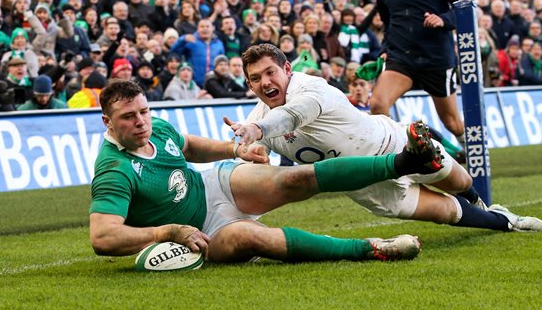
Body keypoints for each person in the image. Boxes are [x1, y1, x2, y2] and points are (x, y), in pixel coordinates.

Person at [89, 79, 446, 263]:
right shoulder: (114, 169)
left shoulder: (155, 125)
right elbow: (103, 238)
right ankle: (370, 249)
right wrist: (166, 232)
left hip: (215, 185)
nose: (141, 122)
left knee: (295, 177)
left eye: (144, 112)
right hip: (200, 231)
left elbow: (189, 146)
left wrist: (234, 149)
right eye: (129, 117)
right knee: (255, 239)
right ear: (107, 121)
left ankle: (407, 161)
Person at [225, 44, 542, 234]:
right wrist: (245, 155)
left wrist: (260, 131)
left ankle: (482, 201)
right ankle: (507, 223)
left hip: (393, 144)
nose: (265, 82)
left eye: (270, 72)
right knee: (446, 214)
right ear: (250, 85)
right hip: (368, 186)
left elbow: (294, 115)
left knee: (459, 180)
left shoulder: (309, 87)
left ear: (286, 69)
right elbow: (245, 174)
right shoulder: (257, 120)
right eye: (255, 78)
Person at [370, 0, 466, 146]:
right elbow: (389, 22)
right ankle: (394, 157)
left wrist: (443, 19)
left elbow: (464, 8)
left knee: (451, 122)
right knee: (378, 104)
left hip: (436, 58)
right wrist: (385, 49)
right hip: (401, 57)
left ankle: (471, 150)